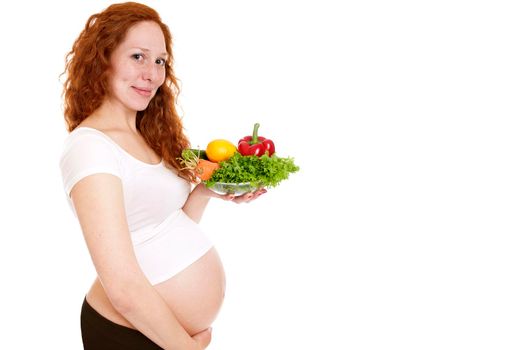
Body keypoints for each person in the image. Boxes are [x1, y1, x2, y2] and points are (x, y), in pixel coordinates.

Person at [59, 2, 266, 349]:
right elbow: (122, 286)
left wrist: (204, 193)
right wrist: (183, 347)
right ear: (102, 59)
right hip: (126, 334)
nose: (152, 74)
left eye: (160, 61)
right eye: (138, 56)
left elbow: (162, 227)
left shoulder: (148, 134)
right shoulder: (90, 148)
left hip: (161, 334)